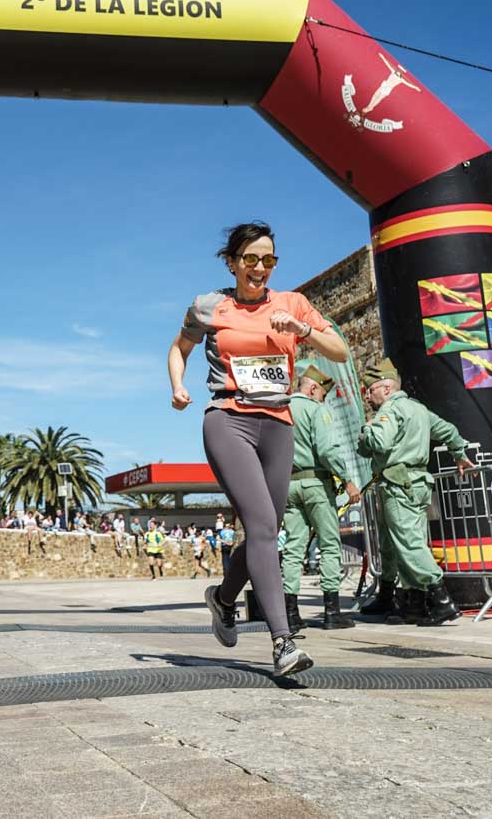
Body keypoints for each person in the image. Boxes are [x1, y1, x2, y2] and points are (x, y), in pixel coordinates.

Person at [170, 221, 348, 677]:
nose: (260, 267)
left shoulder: (293, 304)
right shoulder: (209, 305)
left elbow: (339, 351)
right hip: (228, 419)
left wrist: (303, 330)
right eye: (251, 258)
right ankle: (282, 642)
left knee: (265, 531)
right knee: (265, 526)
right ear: (232, 263)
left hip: (278, 424)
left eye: (269, 259)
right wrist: (178, 385)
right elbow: (179, 348)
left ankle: (223, 598)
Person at [357, 358, 474, 626]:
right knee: (409, 542)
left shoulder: (389, 410)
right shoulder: (419, 409)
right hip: (419, 482)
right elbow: (449, 430)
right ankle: (415, 605)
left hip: (398, 483)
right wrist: (458, 453)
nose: (368, 396)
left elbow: (379, 442)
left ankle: (442, 601)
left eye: (371, 390)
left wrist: (366, 431)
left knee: (409, 545)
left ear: (386, 388)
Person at [281, 365, 362, 632]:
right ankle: (332, 612)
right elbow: (327, 450)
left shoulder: (280, 409)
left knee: (293, 548)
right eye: (323, 395)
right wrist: (347, 479)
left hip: (288, 484)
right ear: (313, 388)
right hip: (315, 483)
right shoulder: (315, 410)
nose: (323, 400)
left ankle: (290, 614)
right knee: (329, 544)